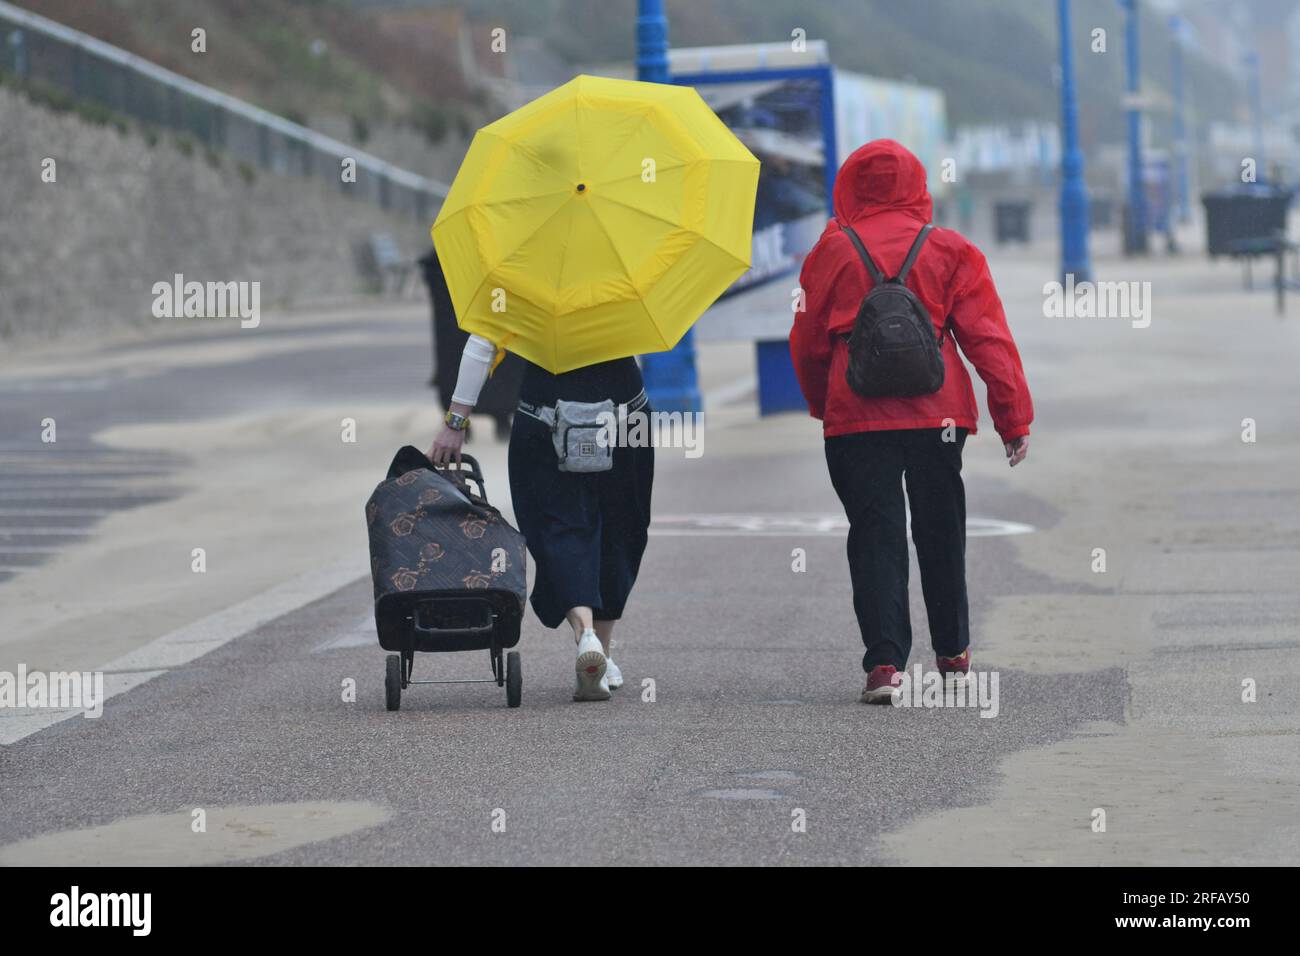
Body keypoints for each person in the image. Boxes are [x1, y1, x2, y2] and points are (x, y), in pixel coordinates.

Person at [789, 139, 1033, 704]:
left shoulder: (830, 252)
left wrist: (824, 404)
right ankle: (952, 652)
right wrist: (1012, 417)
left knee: (875, 534)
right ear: (918, 186)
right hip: (938, 416)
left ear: (849, 185)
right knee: (940, 527)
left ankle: (884, 666)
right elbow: (989, 339)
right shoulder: (950, 249)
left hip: (857, 417)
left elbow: (804, 342)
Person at [429, 338, 653, 702]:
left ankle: (586, 636)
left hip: (546, 407)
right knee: (621, 527)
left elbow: (480, 345)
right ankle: (605, 655)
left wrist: (455, 422)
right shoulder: (624, 279)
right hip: (625, 409)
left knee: (557, 524)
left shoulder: (517, 280)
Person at [417, 248, 524, 440]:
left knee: (462, 358)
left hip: (455, 308)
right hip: (489, 296)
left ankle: (461, 422)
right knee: (497, 355)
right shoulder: (506, 239)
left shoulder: (452, 244)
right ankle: (498, 418)